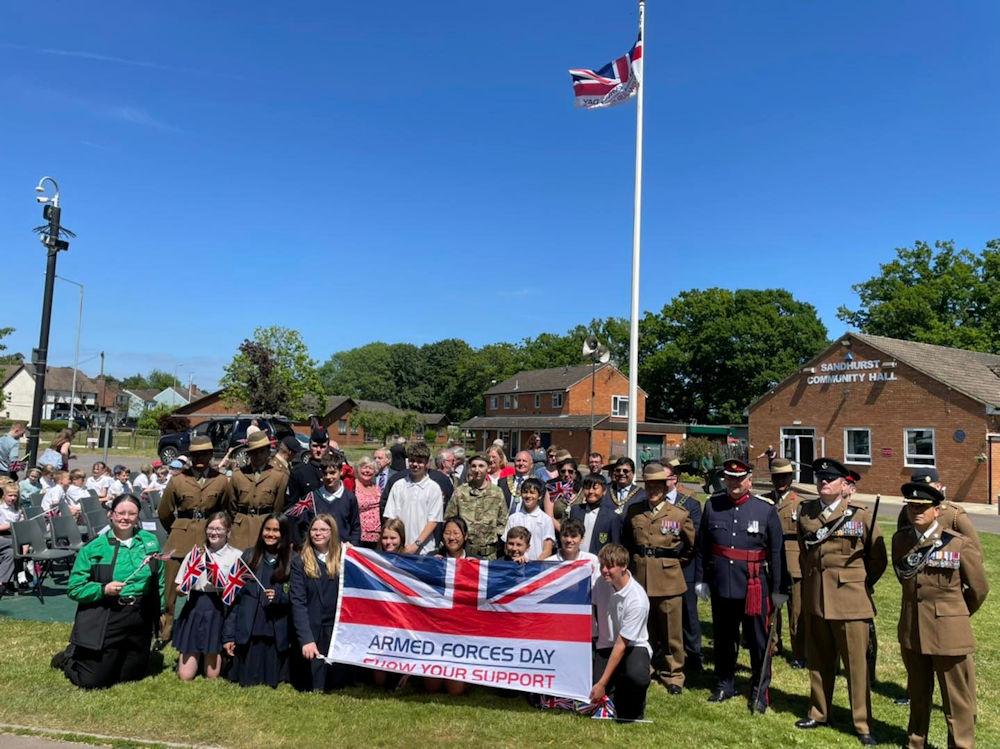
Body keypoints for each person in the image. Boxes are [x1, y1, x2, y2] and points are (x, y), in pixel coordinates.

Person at [794, 458, 886, 746]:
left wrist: (858, 583)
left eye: (830, 479)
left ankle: (862, 723)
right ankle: (819, 711)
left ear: (844, 484)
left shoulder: (860, 516)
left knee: (856, 666)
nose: (823, 482)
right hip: (817, 598)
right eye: (820, 478)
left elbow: (877, 559)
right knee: (819, 660)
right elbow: (804, 552)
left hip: (850, 601)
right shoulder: (806, 513)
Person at [892, 481, 988, 749]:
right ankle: (915, 741)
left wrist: (955, 615)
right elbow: (905, 578)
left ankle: (960, 744)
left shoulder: (959, 544)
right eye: (912, 507)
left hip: (949, 633)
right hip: (913, 628)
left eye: (922, 507)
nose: (916, 512)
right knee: (918, 693)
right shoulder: (901, 541)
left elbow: (979, 589)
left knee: (956, 698)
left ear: (937, 510)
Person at [697, 458, 784, 713]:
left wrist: (779, 589)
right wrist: (702, 580)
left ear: (750, 481)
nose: (733, 483)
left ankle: (759, 690)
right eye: (729, 479)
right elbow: (703, 546)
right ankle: (725, 683)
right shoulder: (713, 506)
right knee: (724, 639)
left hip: (754, 586)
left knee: (758, 641)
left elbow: (777, 553)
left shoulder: (765, 510)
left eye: (739, 479)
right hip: (723, 584)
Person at [56, 494, 165, 689]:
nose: (125, 518)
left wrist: (161, 609)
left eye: (131, 513)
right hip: (107, 615)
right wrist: (103, 589)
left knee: (131, 677)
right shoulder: (94, 548)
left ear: (138, 515)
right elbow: (74, 588)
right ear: (110, 515)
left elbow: (160, 580)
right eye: (120, 513)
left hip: (139, 616)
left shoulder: (150, 542)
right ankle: (68, 658)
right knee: (93, 682)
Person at [622, 462, 695, 693]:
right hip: (641, 577)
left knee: (671, 631)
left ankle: (674, 675)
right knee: (645, 628)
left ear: (666, 487)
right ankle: (646, 667)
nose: (653, 489)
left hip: (668, 579)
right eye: (650, 485)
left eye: (658, 486)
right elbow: (627, 541)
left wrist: (673, 562)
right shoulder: (634, 511)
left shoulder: (679, 514)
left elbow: (691, 547)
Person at [157, 435, 233, 647]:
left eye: (204, 454)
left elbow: (224, 508)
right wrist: (178, 527)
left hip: (209, 540)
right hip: (180, 537)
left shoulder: (220, 480)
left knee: (210, 587)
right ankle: (165, 632)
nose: (200, 458)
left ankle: (211, 627)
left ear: (211, 455)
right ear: (190, 456)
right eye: (196, 454)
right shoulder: (178, 480)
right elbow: (164, 511)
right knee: (171, 589)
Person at [223, 513, 294, 688]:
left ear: (284, 533)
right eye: (267, 529)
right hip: (250, 630)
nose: (270, 534)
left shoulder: (294, 560)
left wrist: (281, 598)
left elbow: (298, 600)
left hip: (275, 632)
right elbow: (235, 600)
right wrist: (229, 636)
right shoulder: (248, 556)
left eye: (276, 530)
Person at [173, 512, 242, 681]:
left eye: (219, 528)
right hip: (195, 605)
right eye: (210, 528)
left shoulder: (236, 555)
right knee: (185, 676)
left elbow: (238, 589)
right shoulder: (196, 554)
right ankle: (192, 656)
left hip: (218, 607)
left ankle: (219, 657)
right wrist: (182, 589)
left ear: (228, 531)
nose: (214, 532)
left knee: (212, 674)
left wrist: (224, 587)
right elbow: (178, 586)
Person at [591, 543, 652, 722]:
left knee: (635, 677)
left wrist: (602, 683)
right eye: (602, 565)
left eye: (610, 567)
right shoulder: (600, 580)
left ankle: (636, 704)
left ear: (624, 566)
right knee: (594, 693)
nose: (604, 571)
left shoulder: (637, 600)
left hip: (632, 645)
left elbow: (621, 645)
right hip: (605, 644)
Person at [290, 514, 349, 691]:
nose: (318, 533)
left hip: (337, 629)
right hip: (313, 629)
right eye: (314, 529)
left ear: (332, 532)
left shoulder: (345, 558)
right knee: (314, 684)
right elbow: (298, 603)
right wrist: (306, 639)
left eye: (323, 529)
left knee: (338, 684)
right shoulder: (299, 562)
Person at [763, 457, 806, 669]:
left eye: (784, 477)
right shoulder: (764, 501)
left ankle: (799, 651)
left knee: (796, 608)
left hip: (794, 560)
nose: (780, 481)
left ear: (791, 478)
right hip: (771, 558)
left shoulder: (801, 503)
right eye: (776, 476)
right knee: (771, 605)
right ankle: (772, 644)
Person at [230, 431, 289, 550]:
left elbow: (278, 506)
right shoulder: (238, 475)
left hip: (265, 527)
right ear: (249, 454)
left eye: (262, 451)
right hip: (241, 528)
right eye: (254, 452)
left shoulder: (279, 476)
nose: (258, 455)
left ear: (268, 452)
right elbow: (231, 505)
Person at [382, 442, 444, 556]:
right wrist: (395, 543)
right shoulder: (398, 485)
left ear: (427, 463)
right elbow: (390, 518)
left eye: (420, 461)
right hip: (400, 548)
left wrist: (416, 544)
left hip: (425, 549)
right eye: (412, 460)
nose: (415, 464)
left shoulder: (434, 488)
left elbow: (433, 521)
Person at [449, 454, 507, 559]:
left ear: (488, 468)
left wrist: (494, 536)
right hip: (466, 552)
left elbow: (503, 519)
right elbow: (450, 518)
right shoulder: (460, 491)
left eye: (481, 466)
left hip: (489, 554)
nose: (477, 470)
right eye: (474, 466)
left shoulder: (497, 492)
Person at [296, 454, 360, 547]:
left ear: (341, 471)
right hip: (317, 551)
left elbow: (355, 526)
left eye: (332, 473)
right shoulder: (311, 498)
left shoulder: (350, 497)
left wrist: (353, 544)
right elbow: (302, 526)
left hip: (342, 551)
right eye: (325, 473)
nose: (328, 477)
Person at [504, 477, 555, 561]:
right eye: (525, 492)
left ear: (540, 496)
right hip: (515, 566)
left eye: (532, 493)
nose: (528, 496)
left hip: (536, 567)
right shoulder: (513, 518)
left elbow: (548, 550)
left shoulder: (546, 519)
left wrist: (534, 565)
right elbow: (506, 547)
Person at [569, 474, 621, 555]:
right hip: (576, 561)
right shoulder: (576, 510)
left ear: (604, 491)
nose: (590, 491)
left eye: (595, 488)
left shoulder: (612, 517)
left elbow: (615, 546)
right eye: (587, 487)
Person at [287, 428, 330, 507]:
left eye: (322, 447)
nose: (318, 450)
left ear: (328, 448)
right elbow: (291, 505)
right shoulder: (298, 472)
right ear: (310, 446)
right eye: (315, 446)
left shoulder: (334, 471)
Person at [352, 456, 383, 548]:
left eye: (371, 468)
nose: (367, 471)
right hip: (360, 535)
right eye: (364, 467)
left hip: (377, 536)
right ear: (358, 469)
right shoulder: (353, 485)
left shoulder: (377, 488)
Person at [544, 457, 582, 532]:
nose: (566, 474)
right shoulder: (551, 490)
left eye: (570, 471)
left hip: (578, 535)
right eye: (563, 471)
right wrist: (564, 532)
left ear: (576, 474)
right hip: (557, 534)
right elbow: (549, 516)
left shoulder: (582, 491)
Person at [0, 479, 25, 594]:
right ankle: (22, 576)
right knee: (18, 544)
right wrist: (11, 525)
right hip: (3, 537)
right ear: (4, 495)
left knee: (11, 553)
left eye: (15, 496)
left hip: (11, 538)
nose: (13, 498)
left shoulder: (17, 509)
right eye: (10, 495)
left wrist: (21, 521)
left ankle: (4, 582)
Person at [498, 450, 535, 515]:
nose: (521, 463)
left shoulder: (538, 484)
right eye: (518, 461)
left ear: (531, 465)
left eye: (524, 461)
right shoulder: (502, 482)